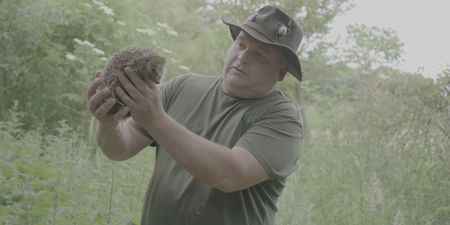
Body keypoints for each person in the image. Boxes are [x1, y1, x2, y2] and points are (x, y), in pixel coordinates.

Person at [87, 5, 304, 225]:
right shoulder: (183, 86)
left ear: (281, 72)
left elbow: (230, 174)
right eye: (241, 44)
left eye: (260, 55)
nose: (243, 57)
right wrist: (108, 124)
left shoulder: (284, 118)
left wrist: (156, 120)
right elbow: (120, 149)